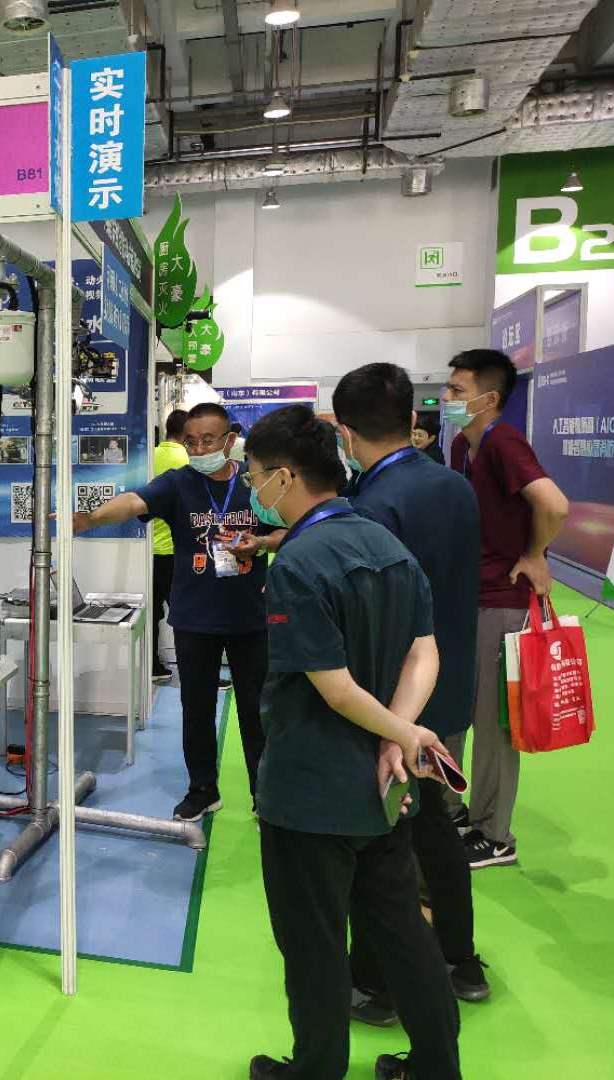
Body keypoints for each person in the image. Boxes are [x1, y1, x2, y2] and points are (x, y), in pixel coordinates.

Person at [241, 405, 461, 1080]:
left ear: (284, 477)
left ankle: (316, 1071)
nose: (251, 487)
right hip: (384, 786)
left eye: (252, 474)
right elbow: (425, 651)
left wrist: (402, 732)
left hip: (311, 790)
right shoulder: (387, 544)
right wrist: (399, 735)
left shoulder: (298, 563)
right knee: (402, 930)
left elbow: (334, 689)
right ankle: (436, 1066)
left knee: (312, 943)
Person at [333, 364, 490, 1025]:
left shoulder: (375, 505)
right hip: (447, 685)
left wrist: (382, 721)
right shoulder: (453, 484)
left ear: (345, 432)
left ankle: (378, 984)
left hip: (395, 699)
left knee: (384, 840)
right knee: (432, 823)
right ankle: (460, 958)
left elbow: (375, 618)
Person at [73, 402, 267, 822]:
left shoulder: (254, 484)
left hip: (250, 617)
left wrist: (263, 544)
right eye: (191, 442)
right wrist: (90, 520)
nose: (199, 450)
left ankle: (264, 795)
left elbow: (288, 527)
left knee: (256, 710)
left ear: (229, 441)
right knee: (195, 709)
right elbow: (133, 501)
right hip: (195, 618)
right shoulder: (179, 483)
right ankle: (202, 789)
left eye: (208, 441)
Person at [443, 350, 570, 870]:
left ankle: (494, 834)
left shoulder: (504, 443)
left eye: (457, 390)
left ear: (488, 398)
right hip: (466, 597)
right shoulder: (460, 446)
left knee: (492, 724)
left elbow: (554, 504)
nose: (446, 398)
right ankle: (453, 808)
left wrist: (535, 554)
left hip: (502, 600)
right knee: (455, 710)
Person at [150, 411, 192, 683]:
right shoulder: (187, 460)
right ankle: (193, 670)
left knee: (153, 613)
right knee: (186, 615)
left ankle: (153, 667)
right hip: (176, 551)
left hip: (149, 551)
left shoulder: (150, 456)